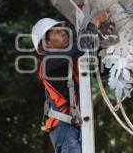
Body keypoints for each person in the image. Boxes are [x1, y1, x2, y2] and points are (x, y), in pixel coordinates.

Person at [31, 9, 110, 153]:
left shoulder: (68, 63)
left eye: (62, 30)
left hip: (72, 126)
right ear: (46, 44)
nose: (63, 33)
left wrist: (103, 39)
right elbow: (79, 47)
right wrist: (95, 22)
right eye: (56, 32)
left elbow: (100, 70)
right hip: (64, 128)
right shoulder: (48, 63)